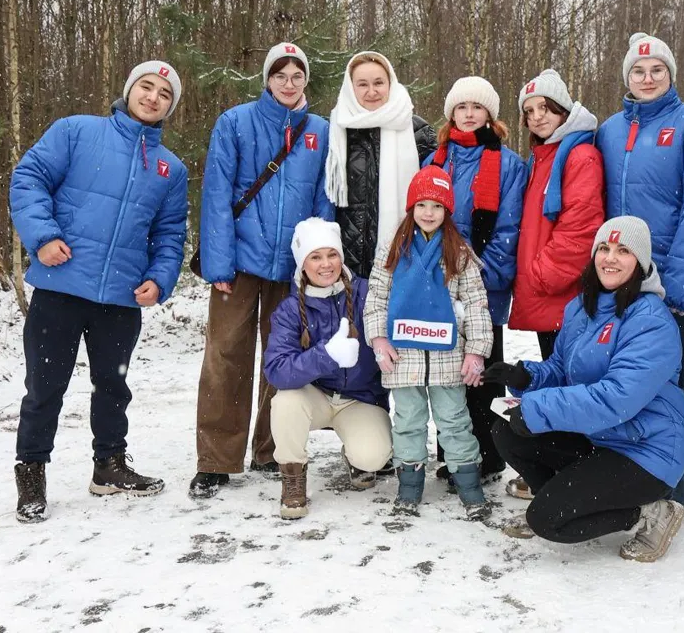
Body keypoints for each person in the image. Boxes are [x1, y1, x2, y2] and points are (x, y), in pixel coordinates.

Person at [9, 61, 188, 522]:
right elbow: (28, 179)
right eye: (146, 87)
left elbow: (169, 235)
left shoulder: (170, 168)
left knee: (113, 385)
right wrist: (42, 236)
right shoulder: (76, 132)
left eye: (164, 94)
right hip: (62, 284)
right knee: (45, 386)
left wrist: (161, 278)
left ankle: (109, 466)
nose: (153, 97)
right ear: (129, 90)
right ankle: (31, 471)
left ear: (171, 106)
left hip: (121, 297)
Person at [487, 216, 684, 562]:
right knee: (507, 431)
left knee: (547, 521)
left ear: (640, 262)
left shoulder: (651, 322)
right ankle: (563, 500)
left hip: (645, 451)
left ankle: (648, 513)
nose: (610, 258)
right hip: (600, 437)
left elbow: (615, 399)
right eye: (604, 248)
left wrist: (537, 408)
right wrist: (526, 377)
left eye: (623, 251)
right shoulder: (583, 307)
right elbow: (562, 370)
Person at [190, 43, 333, 498]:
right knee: (226, 354)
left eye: (296, 75)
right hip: (240, 261)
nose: (288, 83)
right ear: (267, 79)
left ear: (305, 80)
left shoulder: (320, 132)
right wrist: (217, 261)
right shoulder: (235, 122)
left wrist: (317, 259)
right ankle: (216, 458)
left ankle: (270, 449)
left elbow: (323, 199)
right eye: (280, 74)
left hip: (292, 268)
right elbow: (216, 194)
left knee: (284, 356)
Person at [595, 32, 684, 508]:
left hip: (667, 283)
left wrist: (681, 287)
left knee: (673, 389)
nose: (647, 79)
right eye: (638, 71)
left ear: (671, 75)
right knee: (623, 385)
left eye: (657, 71)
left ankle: (671, 495)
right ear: (626, 77)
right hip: (617, 279)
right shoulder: (609, 130)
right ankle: (625, 482)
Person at [363, 166, 494, 519]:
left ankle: (468, 484)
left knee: (454, 421)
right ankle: (409, 487)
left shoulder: (459, 251)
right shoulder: (393, 250)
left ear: (447, 210)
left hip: (447, 357)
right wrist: (378, 339)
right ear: (411, 208)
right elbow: (376, 298)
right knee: (407, 420)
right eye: (421, 204)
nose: (428, 213)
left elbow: (476, 305)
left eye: (436, 206)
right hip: (402, 355)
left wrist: (476, 353)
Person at [422, 76, 527, 488]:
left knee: (481, 373)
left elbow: (510, 227)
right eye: (461, 107)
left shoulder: (508, 164)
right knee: (448, 372)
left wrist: (483, 274)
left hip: (485, 286)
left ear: (490, 115)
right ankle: (453, 455)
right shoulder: (435, 162)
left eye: (477, 107)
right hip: (440, 285)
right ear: (451, 114)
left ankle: (488, 456)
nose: (469, 113)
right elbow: (423, 220)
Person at [506, 68, 605, 499]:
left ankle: (571, 472)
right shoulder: (545, 155)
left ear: (562, 108)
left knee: (568, 384)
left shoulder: (578, 155)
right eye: (528, 112)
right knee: (558, 381)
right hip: (549, 293)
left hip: (562, 292)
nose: (537, 117)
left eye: (544, 108)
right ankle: (557, 468)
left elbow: (581, 227)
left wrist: (540, 274)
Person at [261, 217, 392, 518]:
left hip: (361, 399)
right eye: (315, 257)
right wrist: (327, 355)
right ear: (302, 264)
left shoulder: (366, 294)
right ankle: (293, 479)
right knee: (285, 402)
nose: (326, 264)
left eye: (332, 254)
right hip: (316, 397)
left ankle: (356, 457)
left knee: (374, 456)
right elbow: (277, 369)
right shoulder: (290, 309)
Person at [325, 51, 437, 278]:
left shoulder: (418, 132)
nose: (372, 92)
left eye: (378, 83)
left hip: (406, 254)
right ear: (350, 87)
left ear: (390, 83)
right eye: (362, 84)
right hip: (348, 261)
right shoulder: (336, 131)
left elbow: (435, 195)